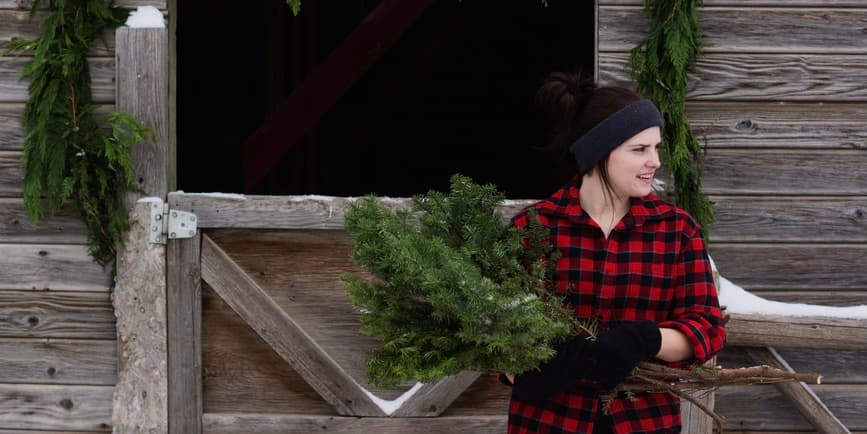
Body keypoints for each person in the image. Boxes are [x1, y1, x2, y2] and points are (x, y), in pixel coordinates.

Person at [501, 72, 726, 433]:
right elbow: (496, 337)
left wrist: (646, 339)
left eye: (656, 147)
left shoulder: (677, 230)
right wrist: (540, 366)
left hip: (644, 422)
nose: (654, 161)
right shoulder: (532, 230)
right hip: (549, 422)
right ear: (598, 151)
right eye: (639, 149)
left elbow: (706, 327)